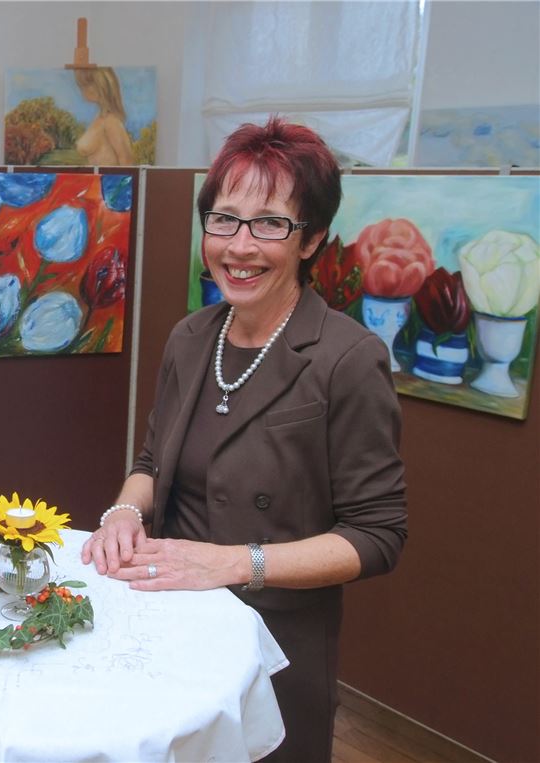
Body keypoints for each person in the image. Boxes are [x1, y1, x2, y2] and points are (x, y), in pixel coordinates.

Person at [81, 117, 407, 762]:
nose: (239, 245)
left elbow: (378, 535)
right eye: (224, 220)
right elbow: (152, 461)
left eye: (269, 224)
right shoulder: (191, 338)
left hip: (276, 643)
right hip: (173, 623)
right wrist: (123, 509)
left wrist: (233, 563)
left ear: (311, 238)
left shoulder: (348, 358)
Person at [74, 67, 135, 166]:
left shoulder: (111, 121)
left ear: (100, 86)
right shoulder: (100, 117)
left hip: (108, 180)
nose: (82, 90)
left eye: (85, 85)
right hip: (96, 179)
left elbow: (127, 161)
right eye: (81, 86)